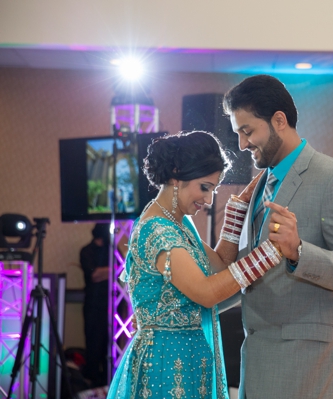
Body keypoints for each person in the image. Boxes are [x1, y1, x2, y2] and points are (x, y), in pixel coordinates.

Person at [222, 75, 333, 399]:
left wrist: (299, 252)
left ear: (278, 120)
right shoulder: (259, 184)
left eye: (247, 131)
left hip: (304, 370)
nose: (241, 145)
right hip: (255, 362)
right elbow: (250, 274)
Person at [107, 131, 282, 399]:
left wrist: (237, 210)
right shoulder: (157, 231)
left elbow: (223, 265)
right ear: (176, 176)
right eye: (205, 187)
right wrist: (270, 252)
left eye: (213, 190)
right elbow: (206, 292)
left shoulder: (178, 224)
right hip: (165, 364)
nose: (209, 200)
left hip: (190, 358)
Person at [80, 223, 110, 387]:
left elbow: (124, 269)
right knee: (93, 345)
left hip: (111, 306)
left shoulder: (112, 251)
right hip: (93, 305)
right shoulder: (87, 251)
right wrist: (114, 268)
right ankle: (91, 383)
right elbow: (95, 275)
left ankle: (107, 383)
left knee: (109, 346)